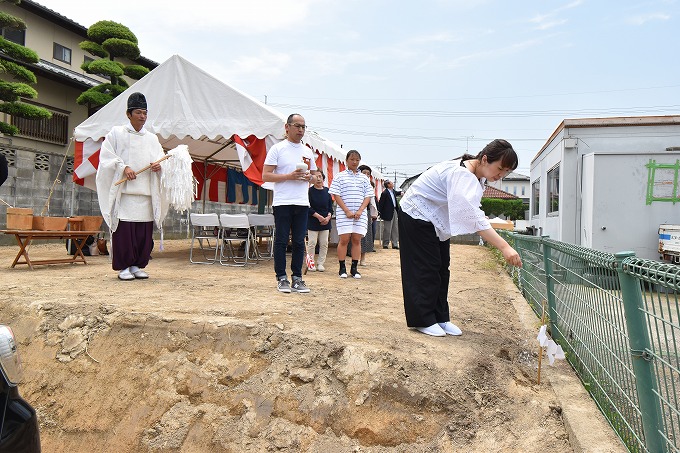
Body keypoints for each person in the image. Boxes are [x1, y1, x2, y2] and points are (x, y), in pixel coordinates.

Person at [398, 139, 523, 337]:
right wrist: (505, 247)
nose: (500, 176)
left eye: (505, 173)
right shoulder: (462, 174)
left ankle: (440, 317)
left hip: (434, 219)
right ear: (484, 159)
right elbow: (474, 219)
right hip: (416, 213)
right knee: (425, 266)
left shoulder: (477, 176)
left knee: (441, 267)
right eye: (499, 169)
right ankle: (423, 319)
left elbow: (474, 214)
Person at [96, 92, 167, 281]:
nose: (142, 116)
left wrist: (160, 166)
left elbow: (161, 158)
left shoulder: (152, 138)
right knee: (125, 232)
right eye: (138, 112)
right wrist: (123, 167)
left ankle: (137, 264)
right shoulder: (116, 134)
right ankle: (123, 267)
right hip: (126, 193)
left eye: (145, 113)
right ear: (128, 114)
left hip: (145, 194)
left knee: (143, 233)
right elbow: (106, 157)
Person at [262, 113, 316, 293]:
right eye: (297, 126)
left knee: (300, 241)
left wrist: (310, 177)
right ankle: (281, 278)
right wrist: (288, 176)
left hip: (302, 202)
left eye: (303, 127)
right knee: (281, 240)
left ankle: (297, 278)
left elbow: (316, 177)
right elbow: (266, 175)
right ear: (287, 127)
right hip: (283, 201)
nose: (301, 130)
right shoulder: (278, 149)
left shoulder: (307, 151)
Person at [329, 150, 373, 279]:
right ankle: (342, 267)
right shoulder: (339, 176)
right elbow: (336, 194)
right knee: (344, 239)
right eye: (352, 159)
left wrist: (360, 210)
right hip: (344, 213)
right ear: (346, 161)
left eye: (357, 160)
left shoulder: (364, 178)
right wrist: (346, 210)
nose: (354, 162)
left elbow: (368, 196)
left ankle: (354, 268)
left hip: (360, 214)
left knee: (356, 239)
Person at [307, 169, 332, 272]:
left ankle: (321, 263)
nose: (318, 178)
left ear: (323, 178)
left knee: (324, 243)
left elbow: (330, 208)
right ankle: (310, 263)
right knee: (312, 242)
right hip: (313, 220)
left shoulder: (327, 191)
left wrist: (328, 217)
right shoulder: (310, 191)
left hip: (326, 222)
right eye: (316, 176)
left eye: (320, 176)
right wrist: (318, 216)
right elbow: (308, 207)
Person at [358, 165, 377, 266]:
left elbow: (372, 202)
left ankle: (363, 258)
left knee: (365, 236)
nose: (366, 175)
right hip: (354, 212)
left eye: (368, 174)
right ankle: (354, 258)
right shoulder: (354, 184)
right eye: (364, 173)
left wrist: (373, 214)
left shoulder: (370, 187)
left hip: (366, 213)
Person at [378, 179, 400, 249]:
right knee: (387, 229)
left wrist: (403, 192)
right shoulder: (384, 193)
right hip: (387, 213)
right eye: (391, 183)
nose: (393, 184)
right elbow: (381, 204)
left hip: (394, 211)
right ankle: (385, 244)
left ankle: (395, 243)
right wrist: (379, 213)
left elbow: (398, 193)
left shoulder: (393, 192)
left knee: (395, 228)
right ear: (388, 185)